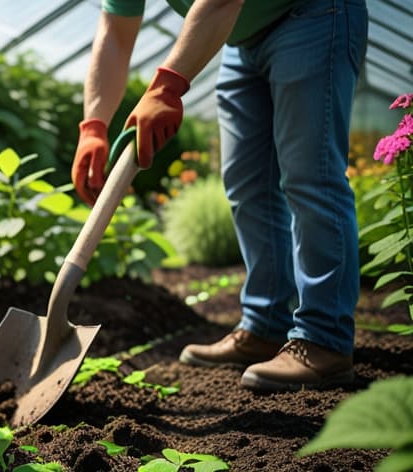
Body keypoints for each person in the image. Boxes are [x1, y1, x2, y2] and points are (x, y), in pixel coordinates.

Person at [72, 0, 368, 390]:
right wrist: (93, 125)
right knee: (248, 187)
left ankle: (324, 340)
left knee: (311, 178)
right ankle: (265, 326)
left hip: (314, 13)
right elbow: (114, 31)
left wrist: (166, 86)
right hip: (241, 41)